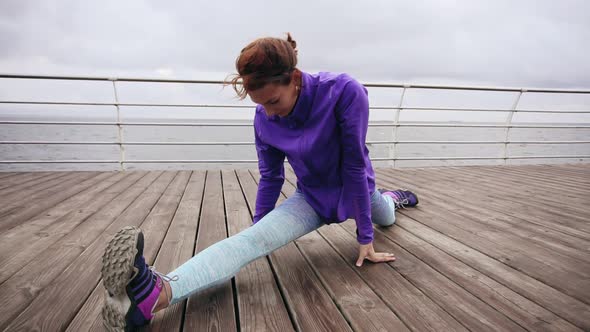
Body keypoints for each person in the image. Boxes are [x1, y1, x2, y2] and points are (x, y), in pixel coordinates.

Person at [101, 33, 418, 331]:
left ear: (294, 79)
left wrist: (365, 238)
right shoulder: (265, 117)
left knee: (386, 217)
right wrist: (258, 234)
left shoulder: (345, 91)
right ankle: (152, 295)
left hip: (357, 189)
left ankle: (394, 198)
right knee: (246, 242)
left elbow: (354, 165)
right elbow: (271, 176)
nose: (269, 113)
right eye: (260, 105)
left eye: (274, 102)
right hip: (313, 199)